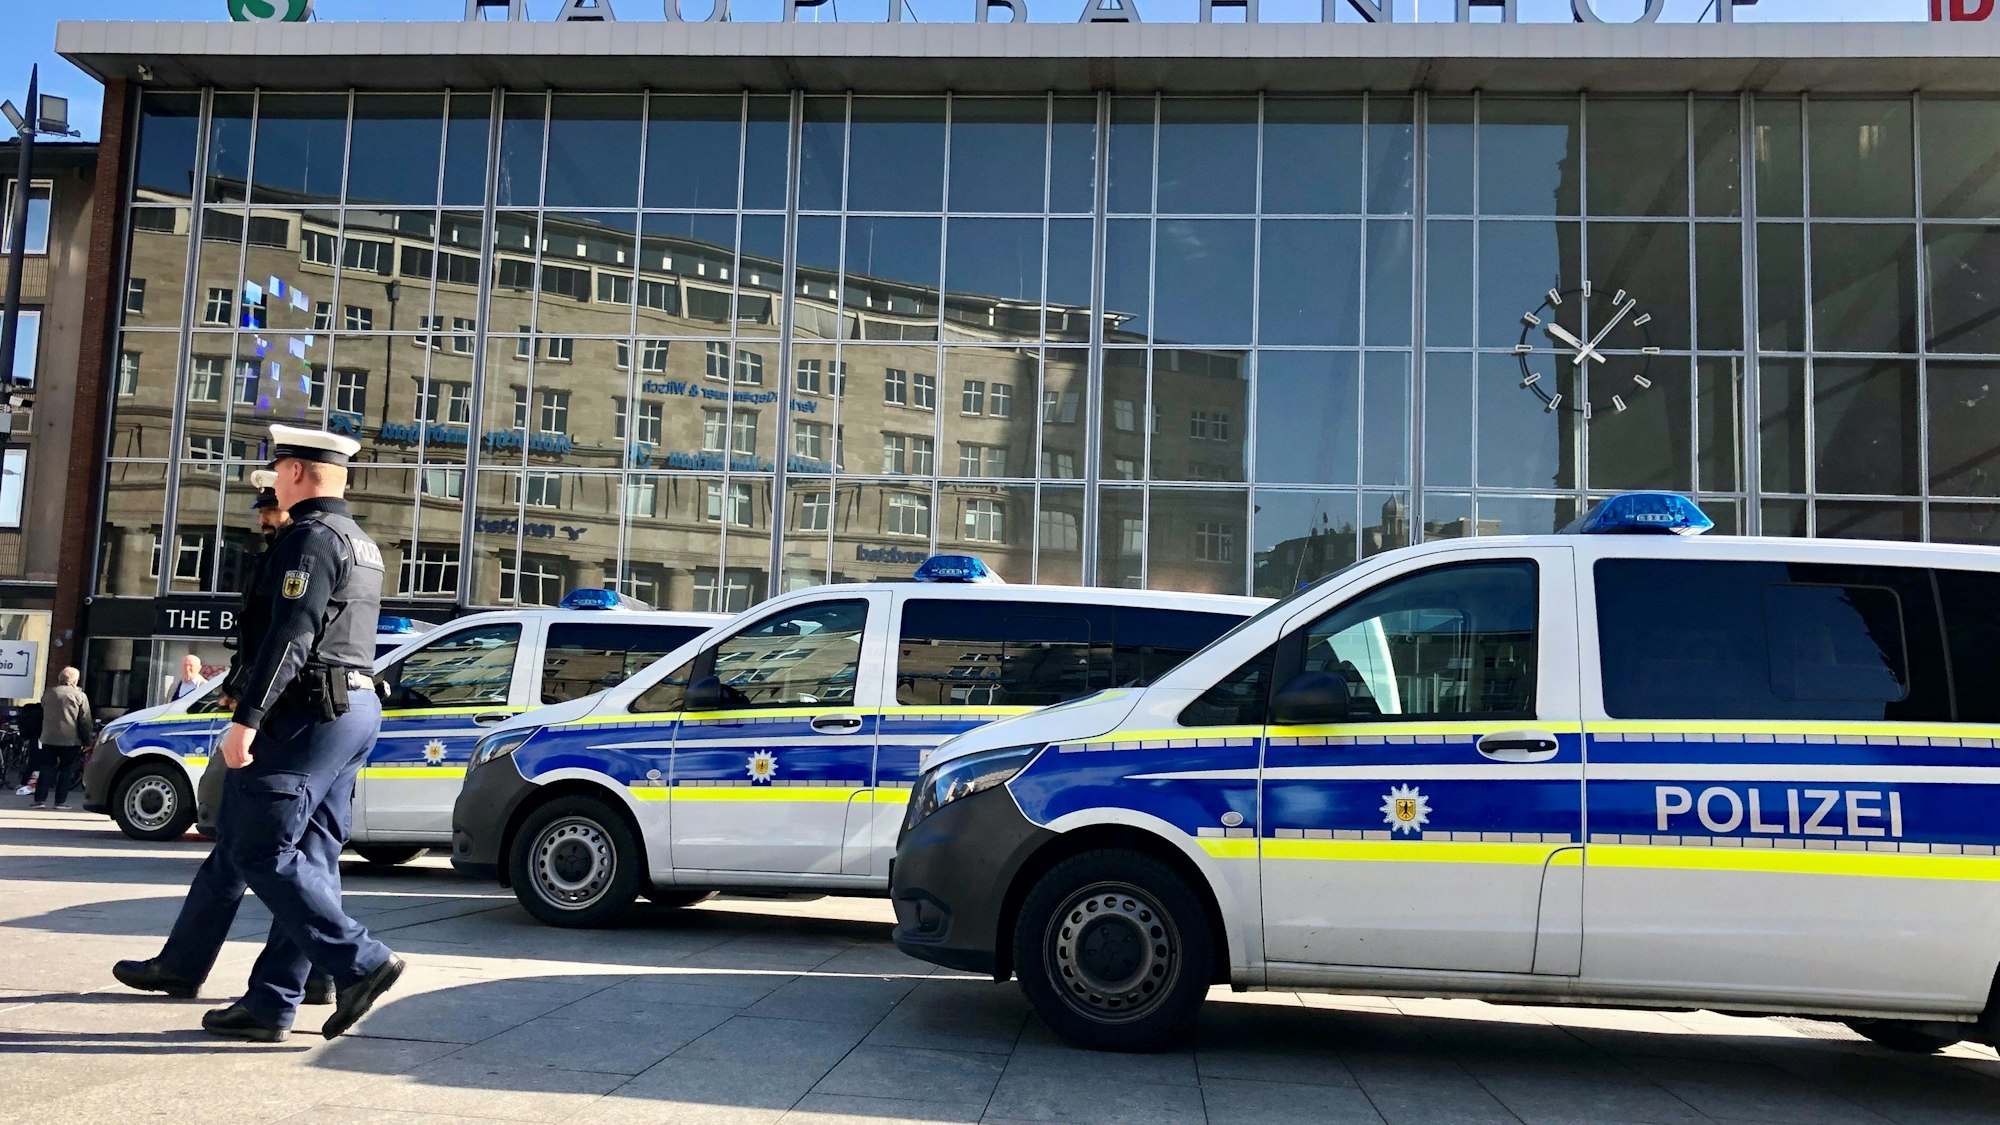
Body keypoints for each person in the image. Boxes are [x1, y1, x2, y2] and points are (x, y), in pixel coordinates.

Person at [114, 426, 403, 1043]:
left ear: (294, 472)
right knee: (311, 856)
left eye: (278, 470)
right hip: (350, 708)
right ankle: (272, 1002)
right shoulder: (360, 541)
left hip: (305, 714)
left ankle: (360, 961)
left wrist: (246, 717)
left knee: (257, 847)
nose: (273, 483)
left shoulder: (311, 538)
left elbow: (293, 633)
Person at [28, 668, 91, 810]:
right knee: (66, 770)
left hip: (48, 737)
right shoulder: (79, 696)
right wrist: (87, 740)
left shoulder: (49, 693)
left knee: (46, 768)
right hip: (70, 739)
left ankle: (39, 800)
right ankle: (60, 802)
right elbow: (85, 720)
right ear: (74, 680)